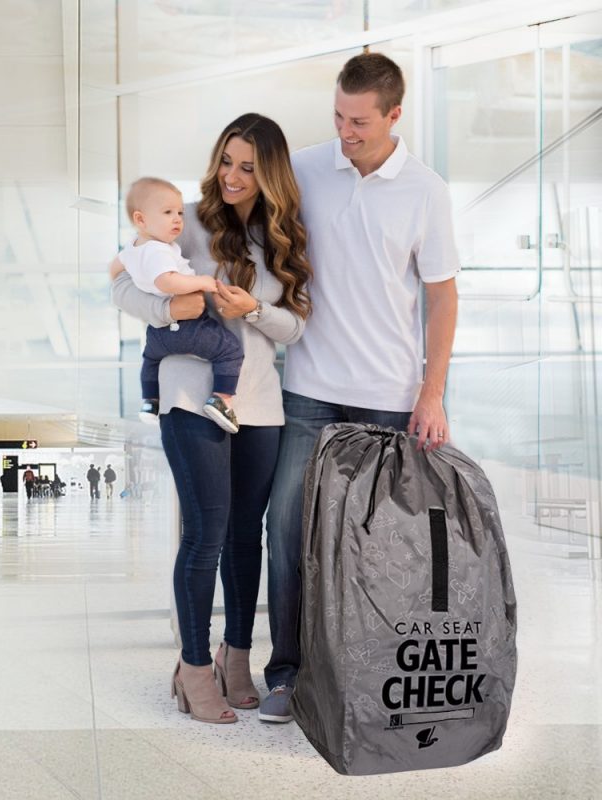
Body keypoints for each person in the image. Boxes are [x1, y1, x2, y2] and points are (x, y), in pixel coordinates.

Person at [260, 52, 460, 724]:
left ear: (395, 115)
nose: (346, 130)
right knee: (286, 527)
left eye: (360, 122)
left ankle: (368, 676)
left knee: (378, 545)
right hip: (309, 387)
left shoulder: (426, 189)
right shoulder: (309, 168)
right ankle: (286, 674)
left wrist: (431, 393)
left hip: (387, 395)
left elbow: (441, 296)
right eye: (339, 116)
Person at [112, 113, 312, 724]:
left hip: (259, 404)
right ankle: (193, 666)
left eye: (247, 167)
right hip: (191, 397)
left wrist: (253, 309)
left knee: (244, 539)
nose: (231, 176)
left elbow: (296, 326)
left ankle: (236, 657)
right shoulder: (183, 220)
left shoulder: (284, 238)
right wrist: (175, 304)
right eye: (226, 161)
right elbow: (120, 285)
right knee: (205, 533)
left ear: (270, 173)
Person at [120, 177, 245, 433]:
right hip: (189, 327)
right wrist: (204, 281)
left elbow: (115, 270)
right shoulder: (159, 250)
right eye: (167, 213)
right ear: (141, 219)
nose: (177, 219)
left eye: (179, 212)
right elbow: (167, 281)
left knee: (150, 359)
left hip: (158, 332)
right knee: (230, 350)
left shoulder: (133, 247)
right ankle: (222, 399)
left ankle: (150, 401)